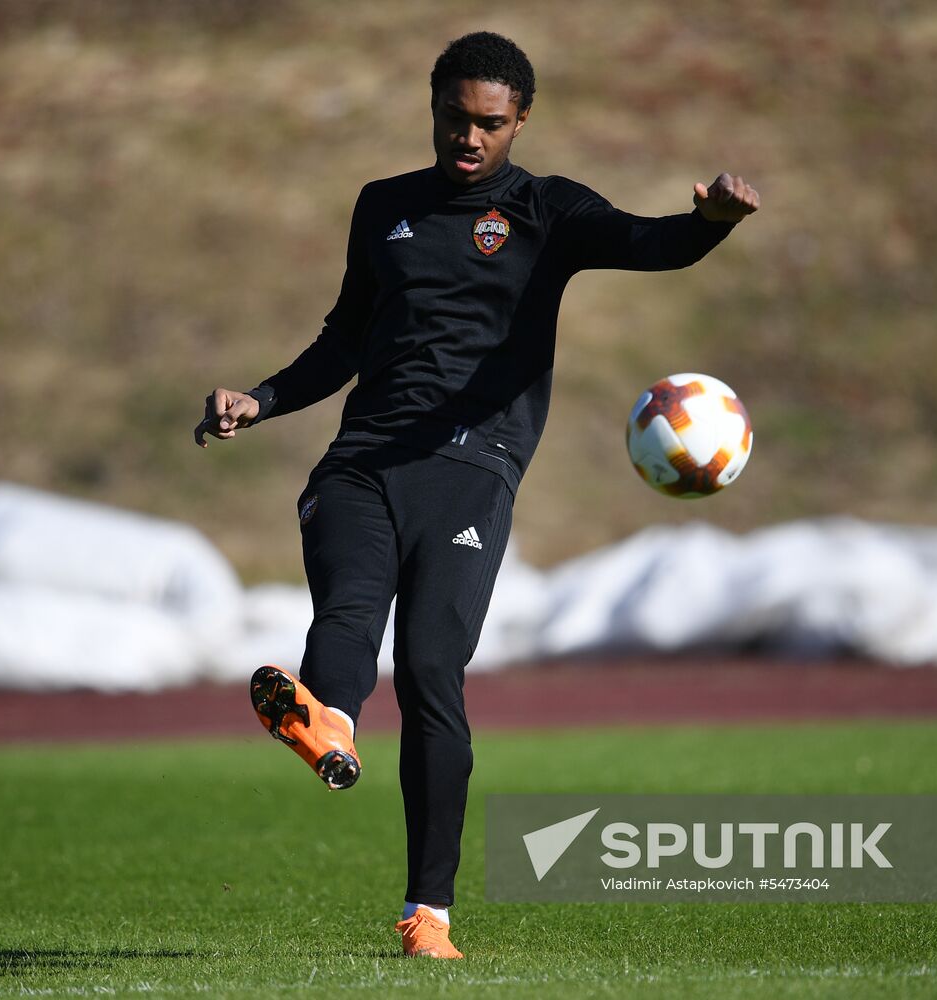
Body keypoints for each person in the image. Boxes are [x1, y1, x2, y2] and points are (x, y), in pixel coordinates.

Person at [195, 30, 758, 959]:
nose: (468, 138)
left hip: (470, 466)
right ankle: (326, 718)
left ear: (520, 121)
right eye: (454, 118)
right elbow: (343, 339)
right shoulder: (383, 208)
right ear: (432, 111)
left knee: (427, 673)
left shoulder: (548, 210)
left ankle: (428, 915)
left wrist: (707, 225)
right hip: (361, 460)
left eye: (489, 124)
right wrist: (258, 400)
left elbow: (647, 243)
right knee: (345, 607)